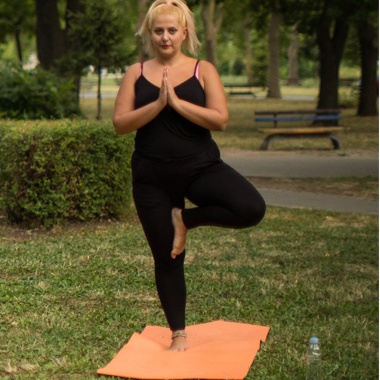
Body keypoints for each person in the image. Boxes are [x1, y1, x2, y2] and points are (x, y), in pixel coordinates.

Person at [112, 0, 265, 352]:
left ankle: (185, 219)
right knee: (167, 256)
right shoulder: (136, 72)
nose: (165, 37)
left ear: (185, 33)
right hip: (151, 177)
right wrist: (157, 104)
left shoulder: (203, 69)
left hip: (200, 168)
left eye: (172, 30)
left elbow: (220, 119)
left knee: (250, 207)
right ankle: (178, 333)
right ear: (149, 33)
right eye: (158, 30)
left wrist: (178, 104)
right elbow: (120, 125)